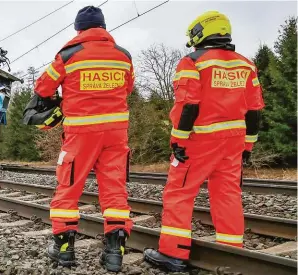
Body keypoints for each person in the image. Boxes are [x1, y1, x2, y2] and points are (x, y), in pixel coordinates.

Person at [143, 11, 265, 272]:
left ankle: (173, 254)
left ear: (199, 34)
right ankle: (232, 253)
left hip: (200, 141)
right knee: (228, 194)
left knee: (179, 193)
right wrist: (248, 146)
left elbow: (188, 105)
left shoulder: (192, 62)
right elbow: (254, 110)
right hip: (233, 143)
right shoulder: (247, 65)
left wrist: (178, 140)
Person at [31, 6, 135, 272]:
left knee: (69, 189)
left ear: (79, 29)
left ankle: (64, 251)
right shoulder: (124, 57)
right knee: (114, 191)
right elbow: (128, 87)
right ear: (103, 28)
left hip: (81, 134)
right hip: (115, 134)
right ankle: (114, 255)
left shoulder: (68, 56)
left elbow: (42, 87)